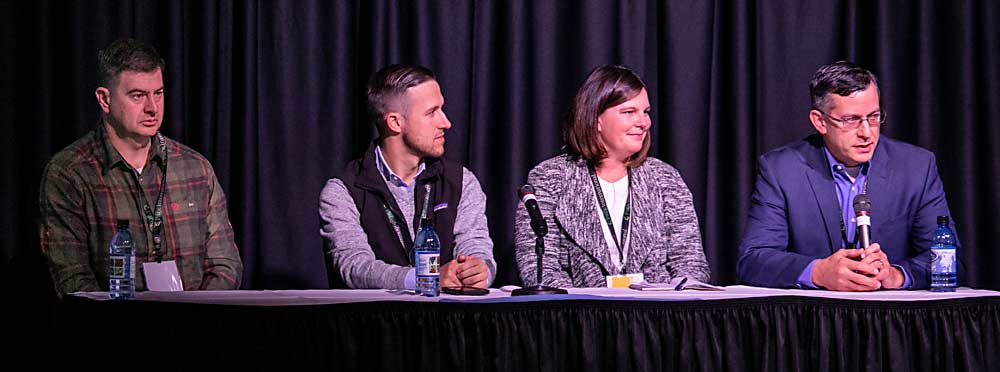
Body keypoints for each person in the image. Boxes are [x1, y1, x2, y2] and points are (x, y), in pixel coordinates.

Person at [38, 39, 243, 294]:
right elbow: (72, 278)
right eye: (138, 96)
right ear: (104, 99)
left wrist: (194, 315)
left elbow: (225, 265)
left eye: (158, 93)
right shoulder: (70, 174)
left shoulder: (196, 169)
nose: (152, 108)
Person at [737, 61, 958, 291]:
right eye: (851, 120)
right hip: (815, 320)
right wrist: (818, 271)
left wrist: (897, 275)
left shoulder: (917, 167)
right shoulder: (782, 170)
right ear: (820, 121)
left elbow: (949, 259)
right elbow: (753, 260)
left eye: (873, 117)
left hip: (891, 319)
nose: (866, 132)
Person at [514, 65, 711, 288]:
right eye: (629, 112)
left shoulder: (665, 178)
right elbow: (539, 270)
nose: (643, 123)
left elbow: (691, 266)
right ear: (596, 119)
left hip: (656, 317)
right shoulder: (550, 179)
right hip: (580, 317)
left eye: (645, 112)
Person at [319, 64, 495, 289]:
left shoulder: (461, 181)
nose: (446, 123)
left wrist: (479, 271)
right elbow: (355, 267)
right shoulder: (343, 191)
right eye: (432, 112)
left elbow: (476, 248)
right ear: (395, 122)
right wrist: (426, 278)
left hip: (447, 322)